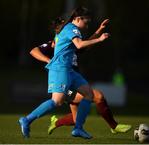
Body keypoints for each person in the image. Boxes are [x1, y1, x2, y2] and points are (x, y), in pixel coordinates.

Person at [18, 6, 110, 139]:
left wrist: (99, 31)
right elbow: (79, 45)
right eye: (86, 22)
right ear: (78, 19)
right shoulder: (72, 29)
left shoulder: (70, 29)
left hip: (69, 71)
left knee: (89, 94)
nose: (87, 25)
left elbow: (84, 45)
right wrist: (100, 39)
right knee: (57, 101)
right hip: (60, 69)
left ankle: (78, 128)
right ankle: (27, 120)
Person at [30, 17, 131, 135]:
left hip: (74, 80)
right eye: (65, 24)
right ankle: (114, 126)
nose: (69, 26)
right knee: (98, 96)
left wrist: (99, 31)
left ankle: (56, 122)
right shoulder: (54, 43)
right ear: (58, 29)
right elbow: (33, 51)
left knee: (75, 119)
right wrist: (48, 60)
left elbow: (85, 45)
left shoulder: (70, 42)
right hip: (64, 83)